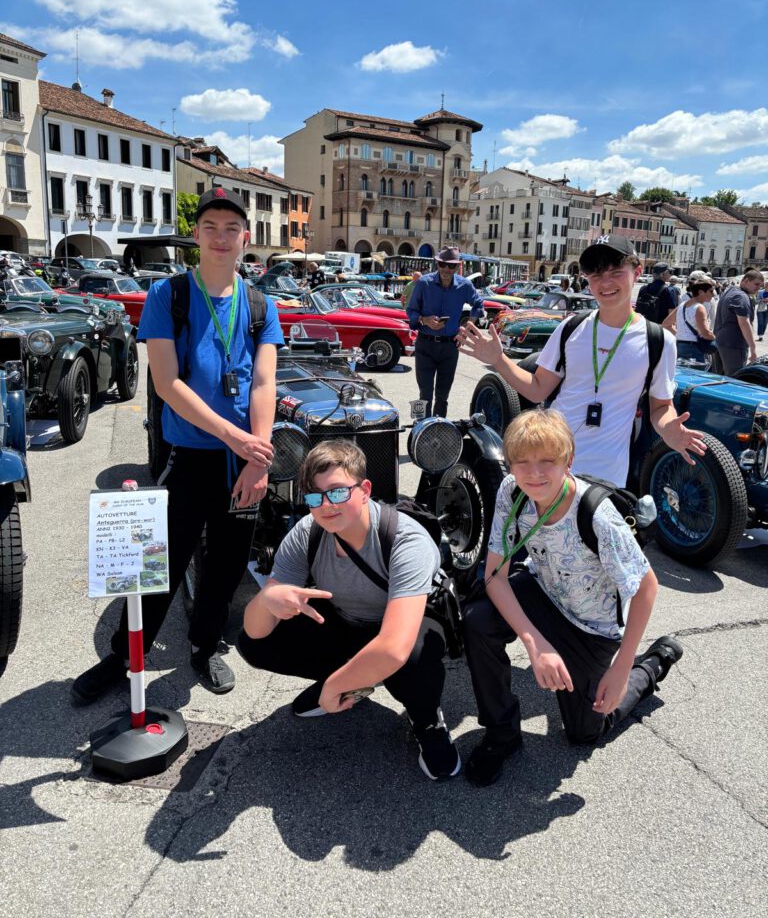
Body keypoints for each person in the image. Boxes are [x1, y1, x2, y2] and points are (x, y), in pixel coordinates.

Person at [72, 187, 285, 704]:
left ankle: (205, 645)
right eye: (211, 227)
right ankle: (123, 656)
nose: (220, 237)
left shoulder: (260, 305)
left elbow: (264, 384)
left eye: (231, 229)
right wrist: (236, 437)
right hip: (187, 456)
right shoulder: (170, 296)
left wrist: (257, 458)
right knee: (158, 563)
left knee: (228, 564)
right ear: (196, 235)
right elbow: (167, 384)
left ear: (245, 237)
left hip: (242, 460)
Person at [462, 410, 683, 787]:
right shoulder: (511, 490)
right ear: (510, 464)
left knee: (585, 732)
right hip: (544, 593)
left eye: (547, 461)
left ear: (569, 460)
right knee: (478, 619)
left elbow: (647, 586)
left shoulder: (596, 514)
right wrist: (536, 645)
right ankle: (501, 733)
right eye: (522, 462)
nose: (534, 473)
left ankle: (652, 665)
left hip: (591, 626)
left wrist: (621, 667)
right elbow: (495, 576)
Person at [237, 440, 460, 780]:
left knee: (413, 657)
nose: (326, 505)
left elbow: (394, 647)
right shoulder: (307, 532)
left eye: (338, 492)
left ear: (365, 490)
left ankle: (427, 719)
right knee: (255, 642)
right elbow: (255, 632)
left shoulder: (405, 540)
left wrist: (331, 689)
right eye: (315, 497)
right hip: (347, 620)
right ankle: (350, 680)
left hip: (403, 629)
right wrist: (268, 599)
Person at [457, 235, 705, 488]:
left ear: (637, 272)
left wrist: (668, 429)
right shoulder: (571, 327)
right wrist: (499, 360)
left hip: (606, 473)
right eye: (596, 275)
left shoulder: (659, 340)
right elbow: (537, 388)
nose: (605, 283)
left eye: (616, 272)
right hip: (548, 460)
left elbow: (661, 406)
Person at [407, 246, 485, 417]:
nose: (446, 269)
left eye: (451, 265)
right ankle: (420, 427)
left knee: (442, 397)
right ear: (437, 263)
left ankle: (439, 429)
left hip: (450, 347)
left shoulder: (464, 285)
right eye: (443, 264)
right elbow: (411, 310)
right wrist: (424, 319)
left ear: (458, 266)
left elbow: (479, 305)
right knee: (424, 394)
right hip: (425, 346)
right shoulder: (423, 283)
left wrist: (466, 330)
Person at [713, 269, 764, 374]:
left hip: (720, 341)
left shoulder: (730, 292)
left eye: (760, 285)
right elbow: (744, 323)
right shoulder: (741, 297)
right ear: (746, 281)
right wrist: (753, 348)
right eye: (756, 284)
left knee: (718, 378)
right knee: (735, 378)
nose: (758, 288)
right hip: (734, 345)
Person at [675, 277, 717, 365]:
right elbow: (705, 333)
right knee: (696, 372)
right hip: (694, 347)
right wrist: (714, 338)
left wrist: (681, 334)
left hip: (680, 345)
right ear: (701, 292)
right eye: (711, 291)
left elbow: (666, 324)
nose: (713, 294)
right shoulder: (699, 307)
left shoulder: (682, 305)